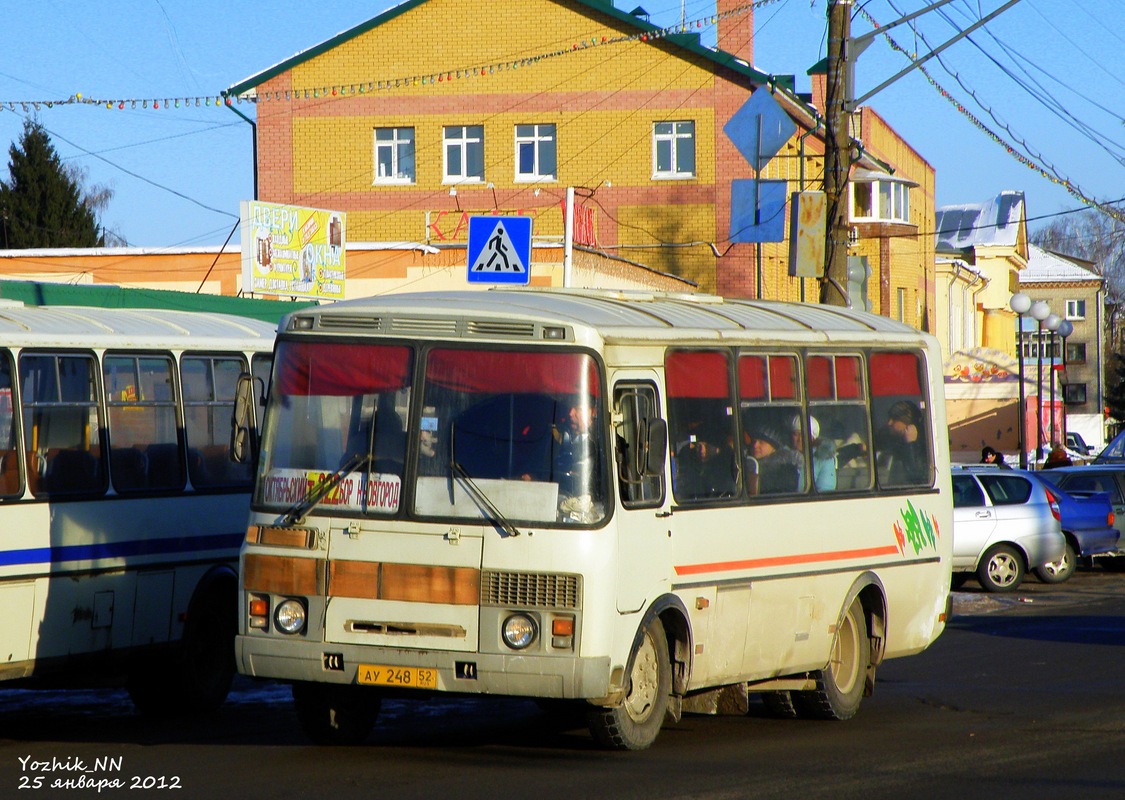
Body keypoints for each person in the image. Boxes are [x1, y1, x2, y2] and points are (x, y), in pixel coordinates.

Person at [874, 400, 928, 485]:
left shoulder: (924, 445)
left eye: (894, 419)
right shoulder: (890, 439)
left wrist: (910, 444)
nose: (889, 423)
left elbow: (918, 477)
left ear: (908, 423)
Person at [749, 426, 801, 494]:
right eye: (754, 441)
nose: (755, 445)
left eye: (761, 442)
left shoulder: (786, 469)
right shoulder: (747, 463)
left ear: (774, 447)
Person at [791, 414, 837, 491]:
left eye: (804, 435)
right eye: (796, 434)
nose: (800, 439)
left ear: (813, 438)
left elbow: (825, 490)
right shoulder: (783, 458)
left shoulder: (823, 459)